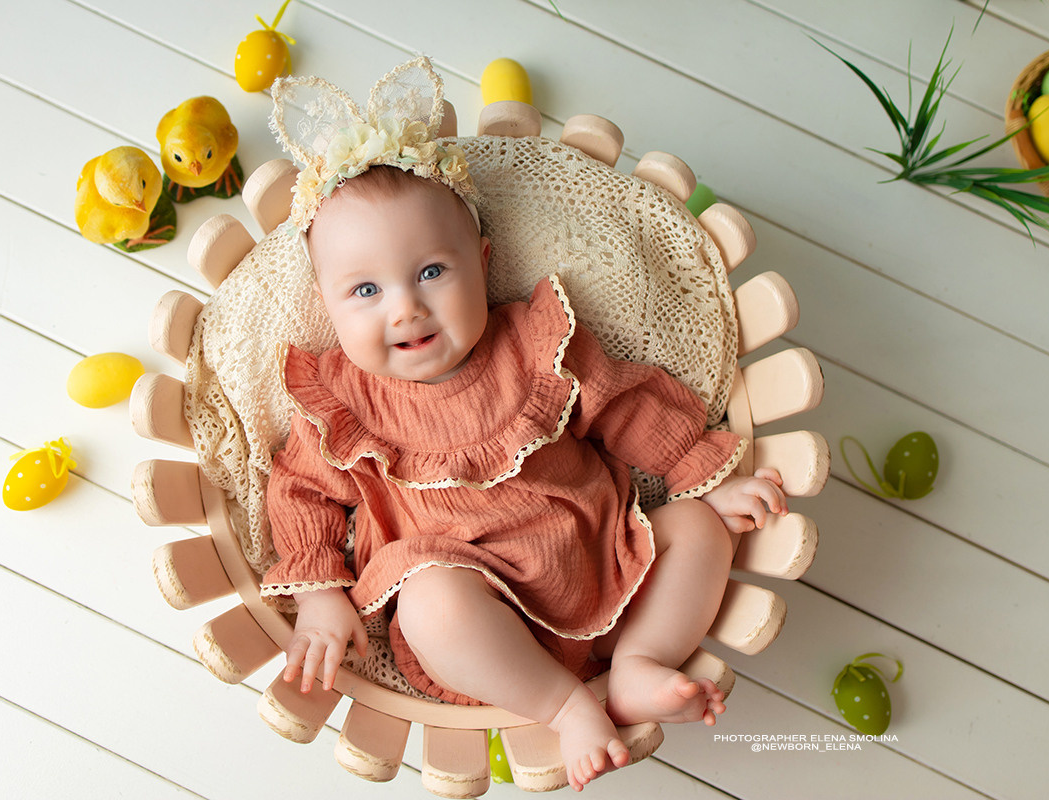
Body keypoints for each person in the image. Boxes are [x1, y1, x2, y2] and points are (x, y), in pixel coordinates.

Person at [262, 60, 788, 792]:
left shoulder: (535, 345)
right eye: (366, 290)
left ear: (482, 264)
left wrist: (701, 473)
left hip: (606, 557)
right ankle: (566, 706)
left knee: (698, 529)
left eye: (432, 272)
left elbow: (626, 404)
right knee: (430, 603)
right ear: (328, 303)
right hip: (474, 611)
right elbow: (298, 490)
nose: (405, 308)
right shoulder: (343, 402)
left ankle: (639, 661)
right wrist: (321, 593)